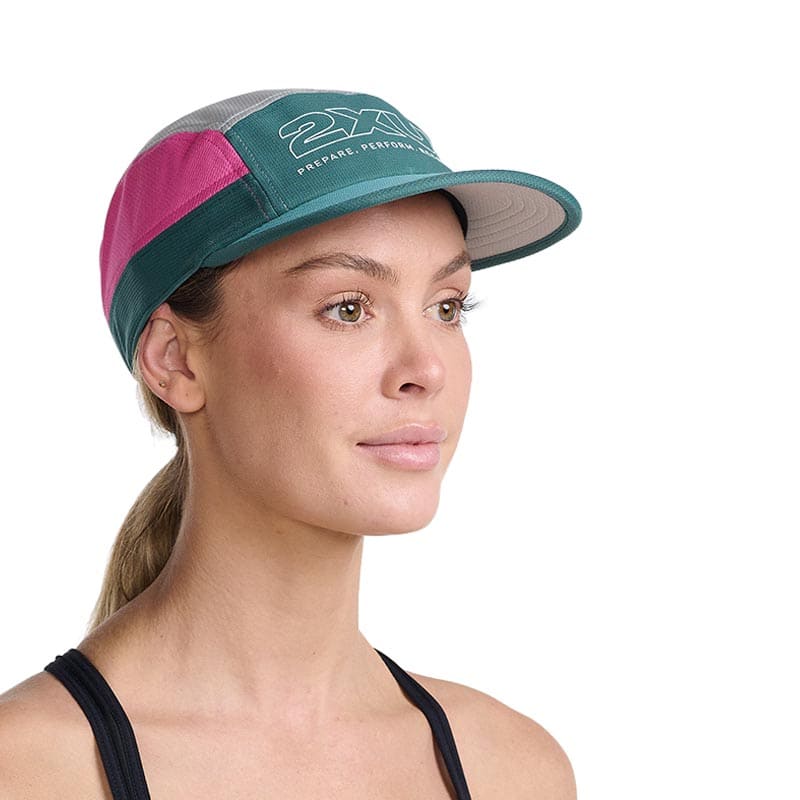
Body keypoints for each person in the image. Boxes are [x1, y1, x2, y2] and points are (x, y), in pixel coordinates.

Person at [0, 88, 581, 798]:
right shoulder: (27, 770)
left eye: (447, 306)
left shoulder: (512, 770)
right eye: (349, 308)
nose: (426, 370)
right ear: (175, 360)